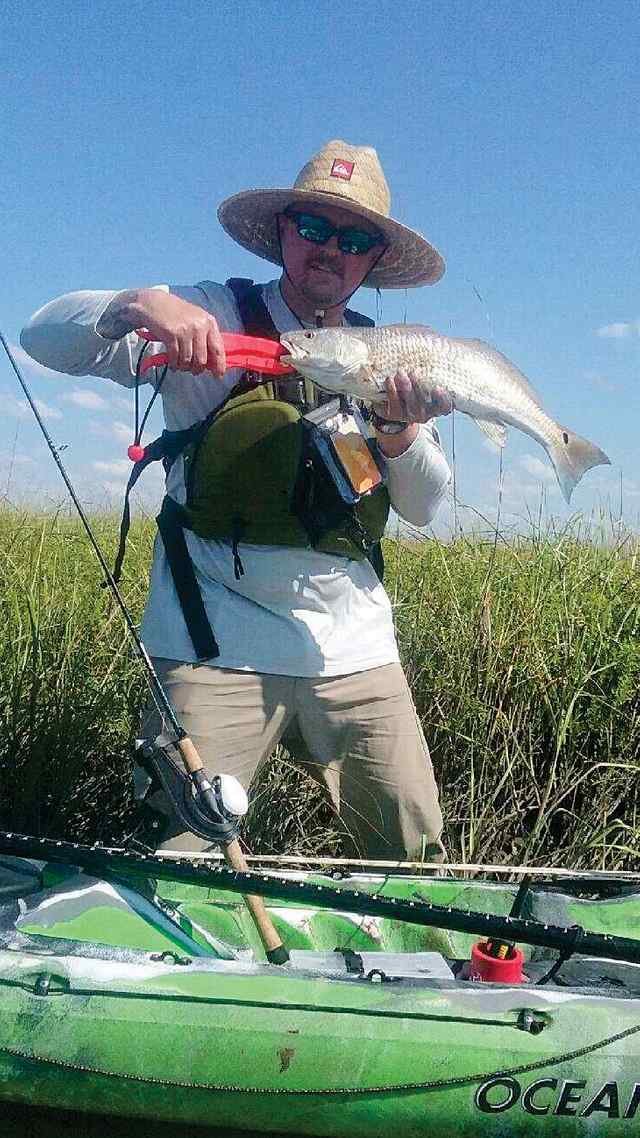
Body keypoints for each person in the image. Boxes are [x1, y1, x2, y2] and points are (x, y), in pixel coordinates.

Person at [20, 139, 452, 862]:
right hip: (211, 643)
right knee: (176, 856)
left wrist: (402, 429)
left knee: (413, 851)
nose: (330, 251)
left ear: (373, 259)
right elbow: (43, 337)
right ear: (283, 231)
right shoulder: (211, 311)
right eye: (313, 228)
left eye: (353, 239)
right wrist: (136, 305)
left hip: (354, 648)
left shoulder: (392, 359)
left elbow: (426, 507)